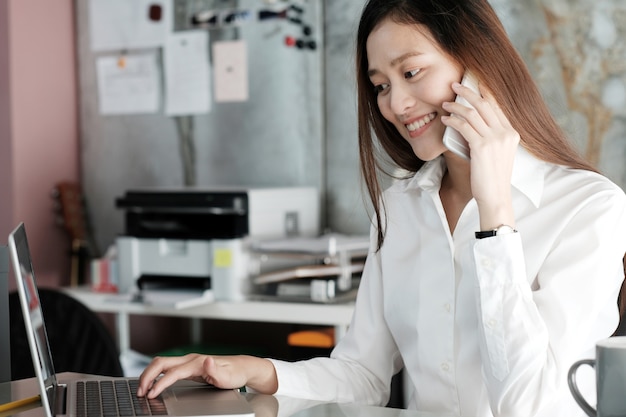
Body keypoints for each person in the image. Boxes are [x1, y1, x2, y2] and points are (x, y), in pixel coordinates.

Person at [137, 0, 626, 415]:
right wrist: (254, 370)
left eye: (411, 72)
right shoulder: (399, 209)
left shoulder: (590, 208)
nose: (396, 104)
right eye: (381, 85)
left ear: (478, 67)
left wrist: (495, 214)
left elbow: (530, 406)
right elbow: (363, 373)